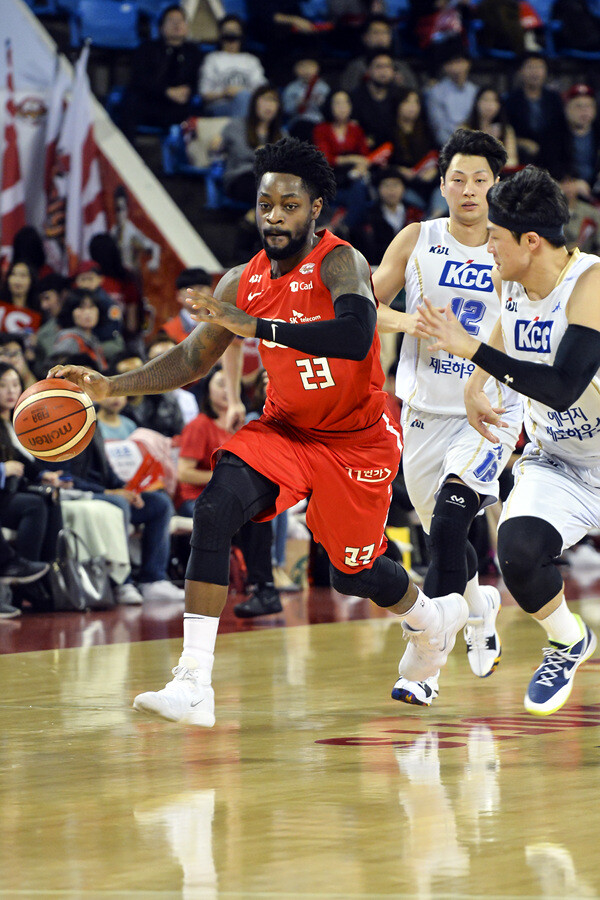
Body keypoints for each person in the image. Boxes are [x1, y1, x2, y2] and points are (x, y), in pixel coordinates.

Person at [50, 136, 469, 727]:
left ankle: (431, 620)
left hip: (356, 441)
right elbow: (192, 358)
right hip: (286, 430)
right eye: (265, 205)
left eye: (289, 206)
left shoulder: (340, 262)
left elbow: (355, 337)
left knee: (353, 574)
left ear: (315, 209)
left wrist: (259, 327)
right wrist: (109, 386)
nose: (274, 217)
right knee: (215, 508)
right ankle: (194, 680)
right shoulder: (238, 282)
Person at [415, 165, 599, 717]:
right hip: (559, 461)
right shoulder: (509, 282)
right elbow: (507, 329)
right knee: (517, 554)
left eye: (495, 237)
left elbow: (561, 388)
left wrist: (471, 351)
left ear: (531, 241)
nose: (487, 246)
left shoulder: (590, 285)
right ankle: (568, 641)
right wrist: (476, 385)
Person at [372, 128, 523, 707]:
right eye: (458, 179)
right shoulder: (418, 237)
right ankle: (479, 605)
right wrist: (408, 323)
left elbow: (528, 325)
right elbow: (363, 306)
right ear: (442, 186)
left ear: (495, 185)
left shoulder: (513, 247)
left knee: (454, 519)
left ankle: (424, 667)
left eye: (480, 179)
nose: (468, 189)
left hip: (488, 409)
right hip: (423, 411)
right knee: (444, 537)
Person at [119, 4, 202, 144]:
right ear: (161, 27)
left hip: (181, 105)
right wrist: (166, 91)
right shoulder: (147, 49)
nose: (176, 24)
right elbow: (139, 79)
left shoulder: (194, 52)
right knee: (130, 101)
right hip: (152, 102)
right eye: (171, 20)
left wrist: (188, 91)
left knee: (200, 109)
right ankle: (126, 150)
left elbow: (198, 80)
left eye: (181, 20)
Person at [215, 84, 285, 209]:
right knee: (265, 189)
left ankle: (251, 217)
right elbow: (240, 152)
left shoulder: (282, 134)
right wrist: (263, 155)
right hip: (241, 176)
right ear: (254, 103)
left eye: (274, 101)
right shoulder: (237, 126)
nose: (269, 105)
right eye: (265, 99)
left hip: (273, 180)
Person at [504, 54, 567, 175]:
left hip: (551, 159)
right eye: (530, 67)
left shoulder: (555, 99)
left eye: (539, 67)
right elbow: (505, 130)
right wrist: (521, 141)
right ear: (520, 71)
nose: (535, 72)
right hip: (522, 157)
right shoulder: (510, 100)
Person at [199, 15, 266, 119]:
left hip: (249, 104)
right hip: (220, 105)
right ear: (221, 35)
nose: (231, 34)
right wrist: (224, 93)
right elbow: (204, 94)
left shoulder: (251, 60)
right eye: (227, 31)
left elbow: (261, 90)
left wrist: (241, 92)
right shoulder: (212, 59)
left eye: (235, 30)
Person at [424, 49, 478, 148]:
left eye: (460, 62)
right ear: (445, 67)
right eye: (451, 63)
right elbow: (438, 127)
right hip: (447, 145)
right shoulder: (435, 92)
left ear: (468, 64)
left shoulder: (475, 91)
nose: (457, 68)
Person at [464, 86, 519, 171]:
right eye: (485, 100)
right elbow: (463, 160)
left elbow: (512, 161)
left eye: (494, 101)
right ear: (476, 103)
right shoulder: (464, 129)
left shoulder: (506, 130)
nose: (489, 105)